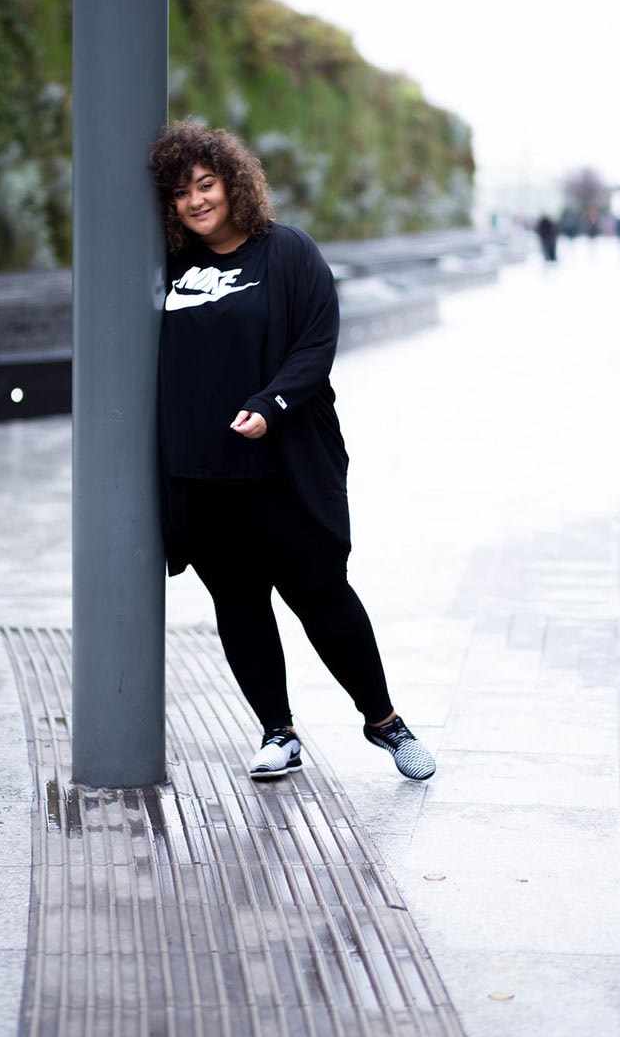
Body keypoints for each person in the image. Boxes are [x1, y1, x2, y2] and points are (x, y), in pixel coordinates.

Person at [149, 121, 436, 783]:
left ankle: (384, 721)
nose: (195, 201)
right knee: (238, 603)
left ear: (232, 183)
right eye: (180, 192)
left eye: (205, 184)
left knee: (321, 594)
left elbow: (316, 342)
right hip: (203, 473)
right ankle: (277, 732)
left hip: (282, 467)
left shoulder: (288, 251)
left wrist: (271, 404)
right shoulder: (170, 266)